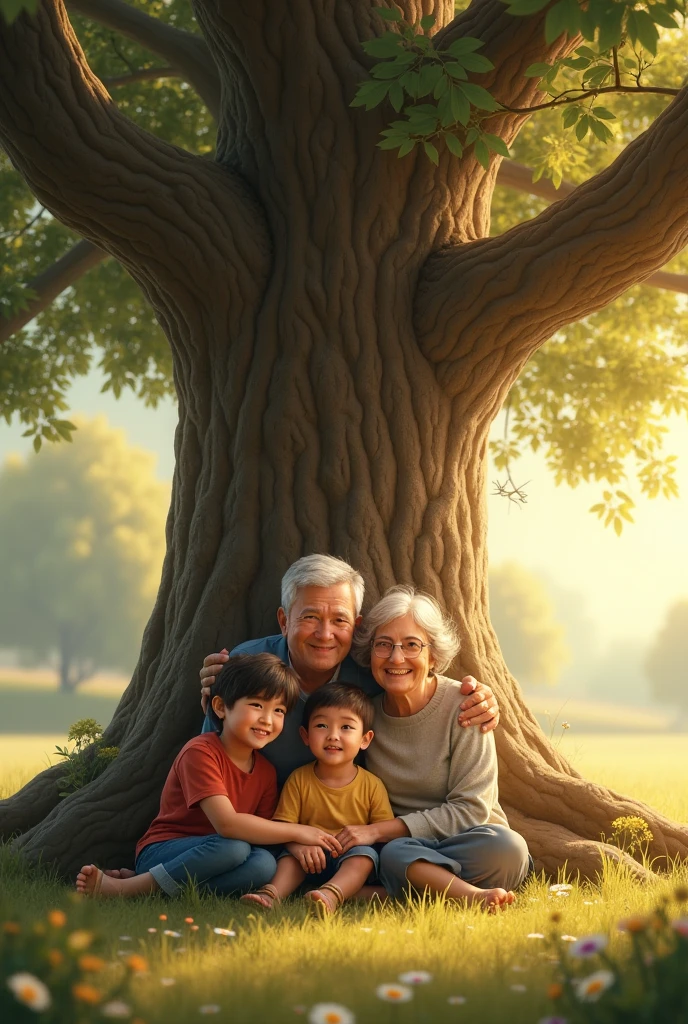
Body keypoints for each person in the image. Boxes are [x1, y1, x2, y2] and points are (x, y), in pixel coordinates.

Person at [199, 555, 501, 787]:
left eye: (340, 620)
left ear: (356, 626)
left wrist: (479, 698)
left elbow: (419, 680)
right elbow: (211, 751)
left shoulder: (372, 673)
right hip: (253, 815)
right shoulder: (247, 664)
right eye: (311, 617)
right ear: (284, 621)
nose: (325, 634)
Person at [76, 655, 342, 898]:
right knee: (234, 847)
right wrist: (301, 832)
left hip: (220, 856)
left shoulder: (265, 771)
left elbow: (262, 833)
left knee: (263, 865)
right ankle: (128, 889)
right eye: (257, 705)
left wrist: (295, 844)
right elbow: (226, 824)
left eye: (279, 711)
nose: (267, 719)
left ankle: (152, 887)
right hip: (166, 850)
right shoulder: (201, 752)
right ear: (220, 707)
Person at [331, 586, 531, 911]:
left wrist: (377, 831)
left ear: (433, 656)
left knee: (510, 849)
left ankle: (388, 891)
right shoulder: (363, 716)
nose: (396, 658)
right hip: (405, 847)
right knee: (393, 853)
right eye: (384, 645)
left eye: (412, 645)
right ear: (370, 654)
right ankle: (472, 896)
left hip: (468, 839)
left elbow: (472, 809)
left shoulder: (465, 706)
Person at [241, 684, 394, 914]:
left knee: (365, 857)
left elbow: (383, 831)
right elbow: (283, 826)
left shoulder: (372, 785)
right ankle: (271, 893)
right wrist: (298, 846)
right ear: (305, 735)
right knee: (289, 859)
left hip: (351, 857)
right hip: (309, 858)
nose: (333, 735)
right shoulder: (299, 779)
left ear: (365, 739)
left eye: (346, 727)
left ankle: (331, 894)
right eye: (322, 725)